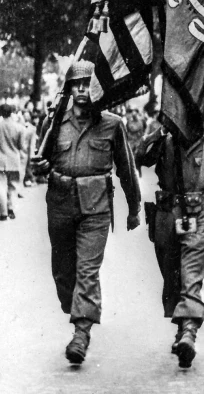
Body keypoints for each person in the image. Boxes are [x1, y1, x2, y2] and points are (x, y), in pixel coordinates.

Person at [33, 61, 141, 364]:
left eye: (88, 84)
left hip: (96, 208)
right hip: (60, 204)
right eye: (77, 84)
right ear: (68, 89)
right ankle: (76, 307)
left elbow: (127, 169)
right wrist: (38, 168)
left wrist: (134, 208)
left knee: (87, 271)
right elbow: (40, 164)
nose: (83, 90)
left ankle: (81, 332)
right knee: (63, 270)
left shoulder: (112, 124)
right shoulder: (53, 123)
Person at [135, 112, 204, 369]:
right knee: (172, 276)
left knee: (191, 275)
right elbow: (140, 157)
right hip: (167, 217)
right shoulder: (164, 142)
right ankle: (182, 327)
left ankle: (189, 332)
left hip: (200, 216)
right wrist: (160, 132)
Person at [0, 103, 25, 220]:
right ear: (11, 112)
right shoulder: (19, 127)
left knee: (1, 186)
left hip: (0, 161)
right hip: (14, 160)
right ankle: (11, 209)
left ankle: (3, 212)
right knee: (13, 186)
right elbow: (21, 146)